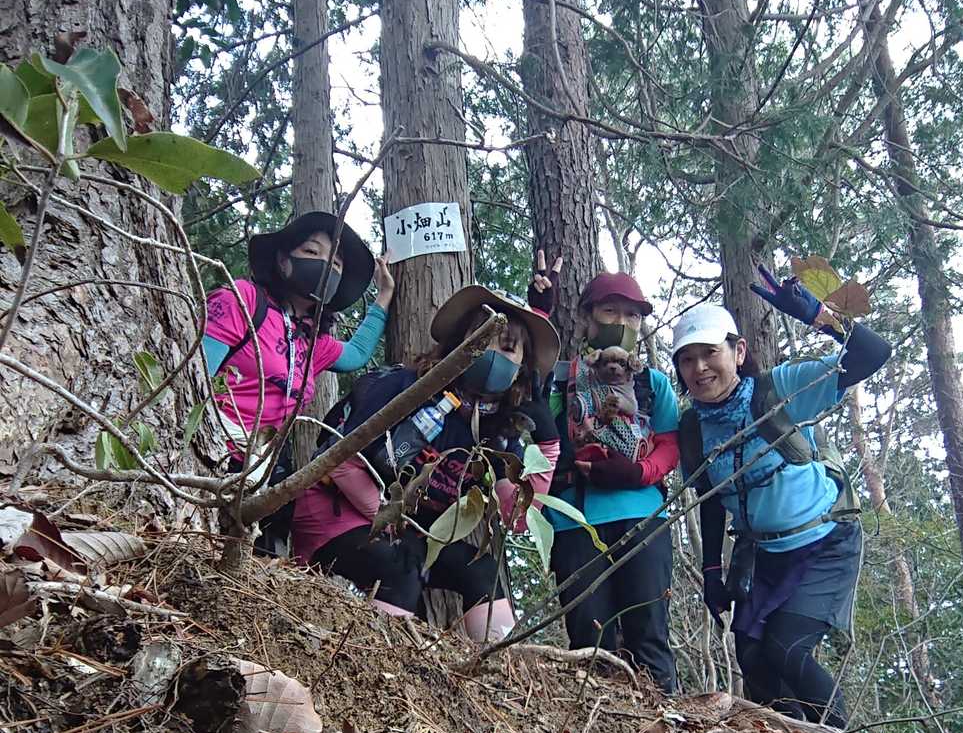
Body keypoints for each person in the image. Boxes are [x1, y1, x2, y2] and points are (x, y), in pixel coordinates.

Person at [673, 267, 892, 727]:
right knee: (754, 659)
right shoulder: (693, 426)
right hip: (763, 554)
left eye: (710, 353)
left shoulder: (780, 390)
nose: (700, 368)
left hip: (825, 542)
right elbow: (711, 498)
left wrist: (819, 316)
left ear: (738, 352)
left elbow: (873, 353)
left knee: (786, 649)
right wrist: (711, 573)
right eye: (687, 360)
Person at [291, 286, 561, 641]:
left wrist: (548, 445)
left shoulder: (496, 433)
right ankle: (377, 664)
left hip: (410, 533)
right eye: (483, 339)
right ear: (460, 343)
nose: (493, 354)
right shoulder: (404, 387)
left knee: (481, 571)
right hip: (335, 512)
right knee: (400, 567)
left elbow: (518, 517)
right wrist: (392, 523)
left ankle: (498, 666)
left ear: (521, 369)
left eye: (508, 348)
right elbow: (340, 462)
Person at [201, 211, 394, 553]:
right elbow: (195, 379)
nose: (326, 265)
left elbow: (356, 354)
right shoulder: (243, 300)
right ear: (282, 259)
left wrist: (383, 297)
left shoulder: (313, 341)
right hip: (211, 453)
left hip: (266, 464)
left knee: (261, 553)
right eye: (311, 251)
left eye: (336, 264)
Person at [529, 256, 680, 691]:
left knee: (649, 638)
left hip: (643, 518)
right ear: (586, 317)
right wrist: (538, 310)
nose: (622, 322)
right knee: (590, 644)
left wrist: (639, 472)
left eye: (632, 315)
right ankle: (593, 730)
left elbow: (670, 443)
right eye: (610, 311)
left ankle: (667, 722)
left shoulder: (651, 383)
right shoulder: (561, 379)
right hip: (574, 519)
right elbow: (525, 383)